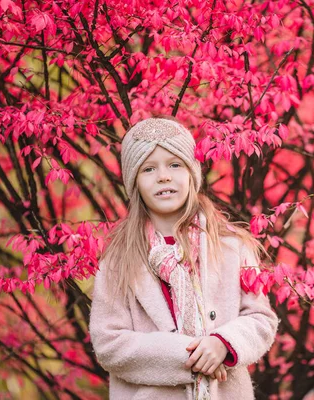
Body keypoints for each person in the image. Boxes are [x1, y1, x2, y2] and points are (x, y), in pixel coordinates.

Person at [89, 117, 279, 400]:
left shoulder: (231, 246)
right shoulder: (118, 262)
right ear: (134, 182)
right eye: (148, 168)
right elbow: (109, 343)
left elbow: (260, 319)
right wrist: (188, 357)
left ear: (192, 173)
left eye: (175, 164)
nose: (163, 176)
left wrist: (222, 344)